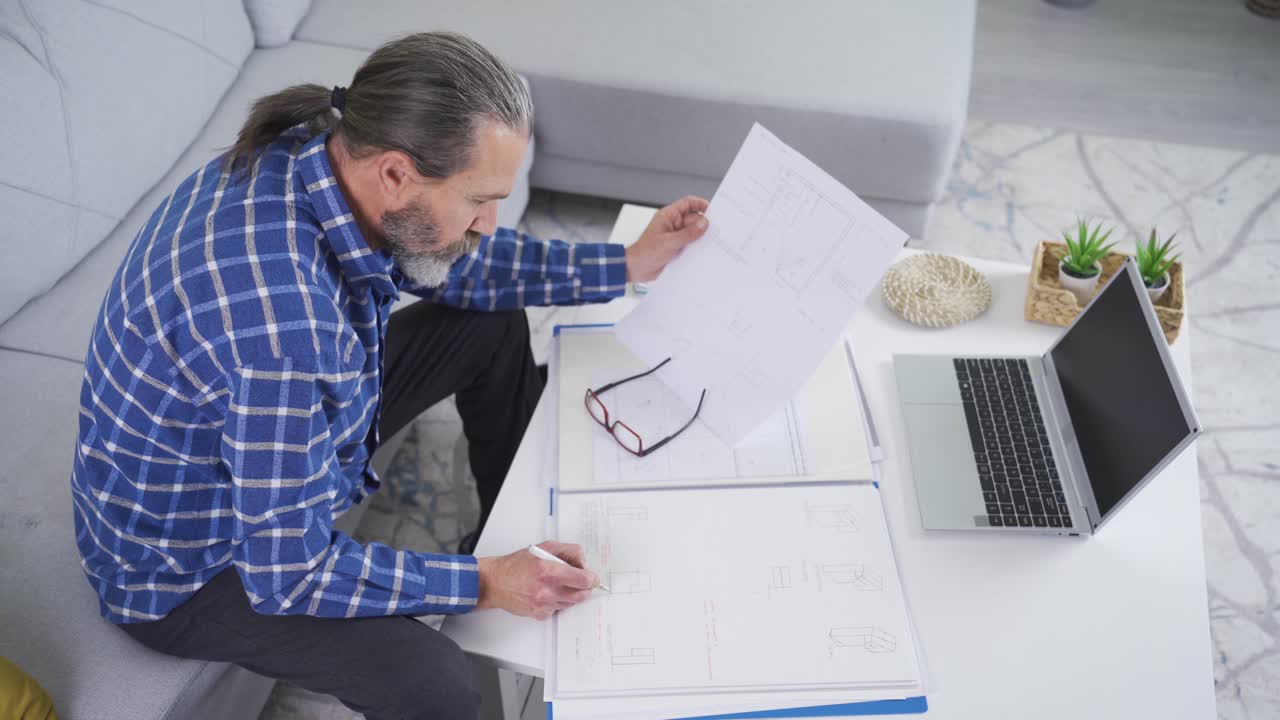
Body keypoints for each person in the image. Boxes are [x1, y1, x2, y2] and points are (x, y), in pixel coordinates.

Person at [71, 31, 709, 719]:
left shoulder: (327, 144)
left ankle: (512, 515)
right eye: (478, 201)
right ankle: (499, 564)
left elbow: (462, 260)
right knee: (431, 679)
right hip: (190, 572)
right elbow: (289, 571)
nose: (490, 224)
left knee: (487, 321)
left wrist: (626, 266)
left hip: (267, 441)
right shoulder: (285, 332)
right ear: (398, 174)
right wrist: (483, 584)